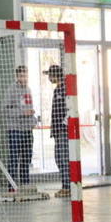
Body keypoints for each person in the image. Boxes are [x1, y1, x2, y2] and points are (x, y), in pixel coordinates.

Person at [0, 64, 37, 192]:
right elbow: (5, 110)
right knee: (14, 157)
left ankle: (25, 183)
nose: (24, 77)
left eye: (26, 75)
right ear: (17, 76)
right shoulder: (11, 90)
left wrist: (33, 120)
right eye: (21, 75)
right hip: (15, 129)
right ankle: (11, 186)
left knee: (27, 156)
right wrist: (22, 113)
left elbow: (28, 108)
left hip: (27, 129)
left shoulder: (29, 90)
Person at [45, 64, 72, 198]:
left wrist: (64, 124)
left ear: (54, 75)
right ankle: (66, 185)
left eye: (50, 75)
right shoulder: (57, 90)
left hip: (63, 130)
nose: (49, 78)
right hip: (57, 130)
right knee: (58, 158)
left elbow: (70, 109)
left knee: (63, 158)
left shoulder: (65, 89)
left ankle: (67, 187)